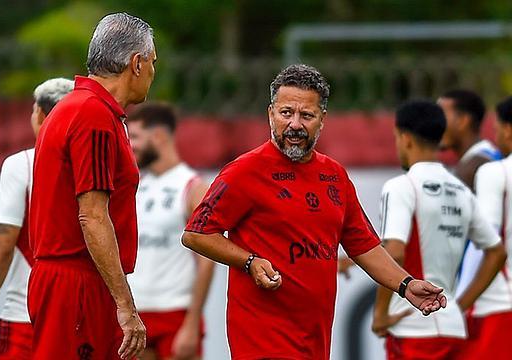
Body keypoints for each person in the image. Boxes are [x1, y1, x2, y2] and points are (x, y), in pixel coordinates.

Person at [181, 64, 448, 360]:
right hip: (262, 342)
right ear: (271, 114)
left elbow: (364, 245)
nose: (295, 124)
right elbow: (196, 233)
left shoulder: (334, 175)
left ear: (322, 120)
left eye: (306, 115)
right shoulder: (244, 171)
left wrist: (406, 285)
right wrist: (249, 261)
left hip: (314, 341)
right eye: (286, 113)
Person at [27, 13, 156, 360]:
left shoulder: (79, 108)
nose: (154, 73)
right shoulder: (93, 115)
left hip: (72, 279)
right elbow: (93, 216)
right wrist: (125, 305)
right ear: (137, 63)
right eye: (153, 62)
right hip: (77, 282)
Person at [372, 100, 506, 360]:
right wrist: (459, 305)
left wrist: (380, 313)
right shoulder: (460, 191)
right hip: (453, 326)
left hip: (413, 327)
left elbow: (395, 252)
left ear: (405, 137)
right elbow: (497, 252)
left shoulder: (401, 186)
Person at [0, 78, 74, 360]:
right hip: (80, 316)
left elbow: (4, 243)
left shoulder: (22, 165)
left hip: (26, 314)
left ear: (40, 114)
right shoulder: (99, 163)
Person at [125, 103, 214, 360]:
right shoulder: (134, 186)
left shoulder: (192, 188)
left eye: (136, 137)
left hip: (175, 313)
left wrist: (192, 322)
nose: (131, 145)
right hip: (135, 315)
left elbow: (207, 263)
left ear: (159, 137)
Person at [463, 97, 512, 358]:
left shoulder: (496, 173)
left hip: (501, 306)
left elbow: (487, 247)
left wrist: (460, 304)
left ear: (508, 129)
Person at [437, 89, 501, 191]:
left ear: (462, 121)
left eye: (440, 116)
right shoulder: (489, 154)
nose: (435, 124)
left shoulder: (471, 169)